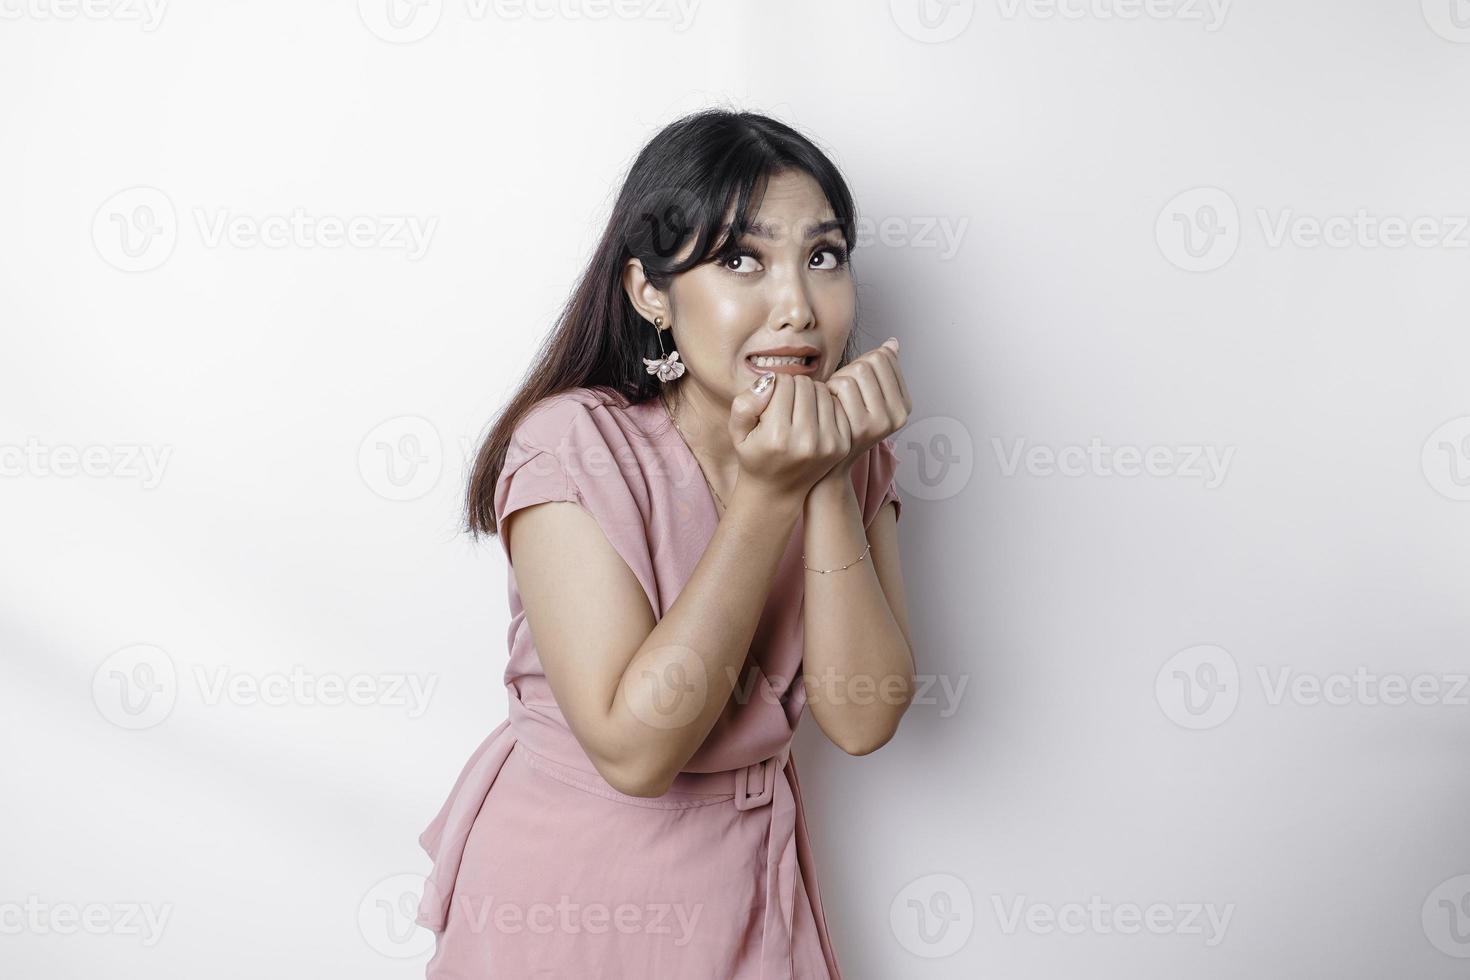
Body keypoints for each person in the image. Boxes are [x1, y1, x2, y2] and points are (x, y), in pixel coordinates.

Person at [416, 108, 915, 979]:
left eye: (823, 256)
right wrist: (770, 495)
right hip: (570, 896)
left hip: (748, 888)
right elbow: (636, 751)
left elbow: (864, 716)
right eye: (740, 260)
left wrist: (827, 477)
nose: (797, 306)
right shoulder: (573, 445)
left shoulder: (851, 455)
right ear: (650, 291)